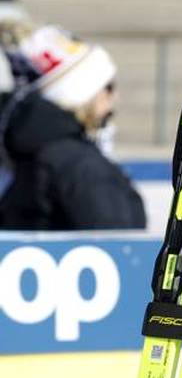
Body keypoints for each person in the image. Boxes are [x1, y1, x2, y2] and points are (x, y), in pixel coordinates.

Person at [0, 25, 145, 230]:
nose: (115, 97)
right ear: (83, 96)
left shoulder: (24, 157)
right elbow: (120, 249)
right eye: (108, 87)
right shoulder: (82, 167)